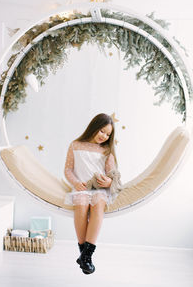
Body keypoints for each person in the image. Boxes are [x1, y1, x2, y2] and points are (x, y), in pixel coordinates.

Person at [64, 113, 118, 275]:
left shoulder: (107, 151)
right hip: (81, 187)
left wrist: (109, 183)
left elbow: (112, 174)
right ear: (94, 127)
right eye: (102, 131)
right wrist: (75, 182)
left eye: (108, 134)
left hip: (98, 188)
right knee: (81, 205)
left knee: (98, 204)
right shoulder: (75, 145)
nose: (104, 136)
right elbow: (68, 169)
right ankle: (83, 253)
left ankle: (87, 255)